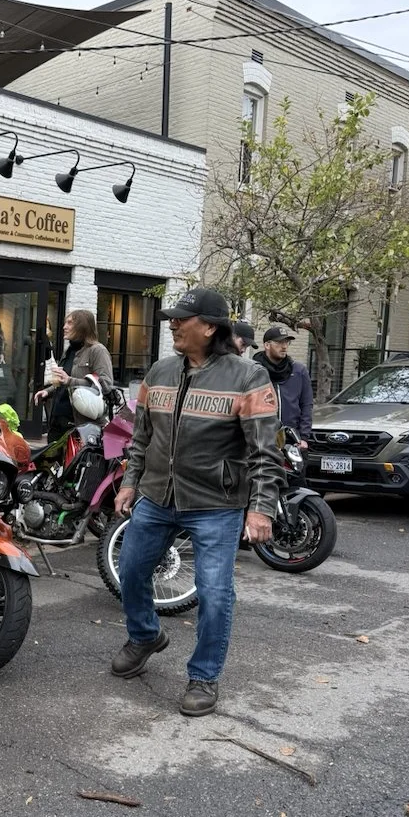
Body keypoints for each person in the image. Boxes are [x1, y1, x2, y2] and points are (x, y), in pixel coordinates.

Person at [111, 287, 283, 717]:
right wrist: (131, 482)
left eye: (181, 319)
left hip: (216, 504)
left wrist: (261, 508)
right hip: (156, 496)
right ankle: (145, 636)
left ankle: (204, 675)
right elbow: (141, 437)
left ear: (209, 327)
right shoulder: (160, 371)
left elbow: (265, 452)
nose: (172, 325)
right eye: (171, 318)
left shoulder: (248, 377)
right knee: (130, 570)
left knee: (214, 593)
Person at [34, 309, 114, 442]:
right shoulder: (69, 351)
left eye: (70, 323)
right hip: (57, 423)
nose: (64, 327)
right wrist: (48, 391)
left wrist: (70, 381)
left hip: (81, 427)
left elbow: (106, 384)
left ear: (83, 326)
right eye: (65, 323)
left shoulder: (97, 351)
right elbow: (63, 382)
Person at [254, 326, 314, 449]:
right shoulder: (254, 370)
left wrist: (303, 437)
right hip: (260, 439)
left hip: (292, 440)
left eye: (287, 342)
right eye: (279, 342)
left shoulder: (299, 371)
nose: (284, 346)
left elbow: (307, 405)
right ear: (267, 345)